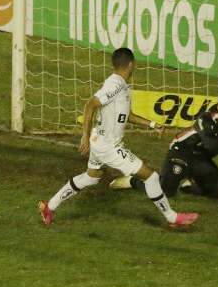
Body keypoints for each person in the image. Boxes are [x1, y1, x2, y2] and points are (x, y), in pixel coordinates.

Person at [38, 48, 199, 228]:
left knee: (91, 178)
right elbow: (90, 104)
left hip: (99, 142)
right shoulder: (114, 85)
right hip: (109, 146)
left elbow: (127, 115)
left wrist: (152, 124)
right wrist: (84, 135)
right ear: (131, 64)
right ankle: (172, 218)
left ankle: (49, 206)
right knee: (151, 177)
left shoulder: (122, 86)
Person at [110, 92, 218, 199]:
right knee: (165, 192)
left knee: (215, 192)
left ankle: (188, 185)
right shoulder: (206, 119)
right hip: (181, 152)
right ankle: (134, 181)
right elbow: (209, 144)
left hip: (200, 159)